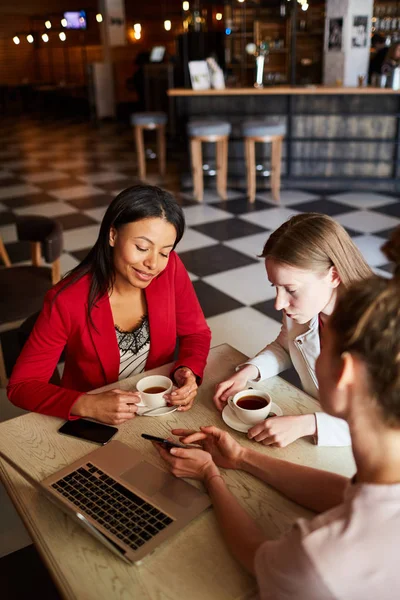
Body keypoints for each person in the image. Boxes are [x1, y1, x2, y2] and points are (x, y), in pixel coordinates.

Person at [156, 226, 400, 600]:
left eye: (325, 351)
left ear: (345, 372)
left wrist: (211, 476)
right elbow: (351, 495)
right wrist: (242, 458)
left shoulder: (316, 561)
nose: (278, 304)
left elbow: (260, 560)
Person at [7, 185, 211, 424]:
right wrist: (86, 404)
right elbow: (22, 386)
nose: (153, 264)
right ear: (112, 235)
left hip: (158, 410)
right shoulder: (66, 300)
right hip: (96, 422)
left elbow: (196, 332)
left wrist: (187, 370)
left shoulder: (170, 268)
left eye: (164, 252)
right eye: (142, 247)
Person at [214, 213, 372, 447]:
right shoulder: (305, 310)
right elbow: (285, 346)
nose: (279, 303)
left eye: (291, 289)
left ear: (334, 275)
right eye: (275, 287)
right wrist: (249, 371)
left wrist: (310, 424)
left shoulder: (383, 329)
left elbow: (386, 421)